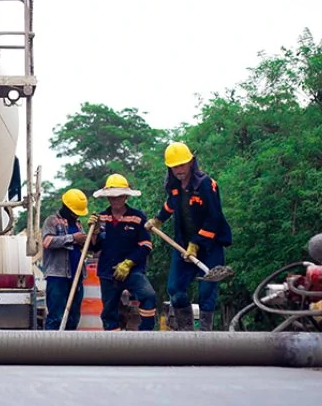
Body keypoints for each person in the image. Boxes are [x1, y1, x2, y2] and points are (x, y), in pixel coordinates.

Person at [147, 141, 232, 331]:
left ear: (191, 162)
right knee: (175, 290)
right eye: (174, 167)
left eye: (182, 165)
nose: (179, 170)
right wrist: (158, 219)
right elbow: (171, 204)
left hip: (209, 247)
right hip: (183, 246)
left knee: (207, 292)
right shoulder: (175, 186)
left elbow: (214, 218)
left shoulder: (205, 184)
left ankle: (204, 335)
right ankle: (186, 333)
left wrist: (197, 243)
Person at [87, 174, 158, 331]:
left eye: (119, 196)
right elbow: (94, 248)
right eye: (112, 197)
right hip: (107, 271)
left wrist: (128, 263)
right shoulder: (102, 217)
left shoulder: (137, 217)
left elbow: (146, 245)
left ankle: (146, 336)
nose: (115, 200)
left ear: (125, 196)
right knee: (109, 312)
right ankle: (113, 347)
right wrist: (94, 232)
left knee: (148, 295)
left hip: (132, 270)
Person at [41, 189, 88, 330]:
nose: (76, 215)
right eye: (74, 211)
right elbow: (47, 242)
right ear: (66, 207)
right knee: (56, 317)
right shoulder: (52, 221)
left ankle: (69, 350)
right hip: (58, 277)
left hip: (76, 276)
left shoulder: (78, 224)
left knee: (73, 318)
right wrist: (73, 238)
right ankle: (50, 349)